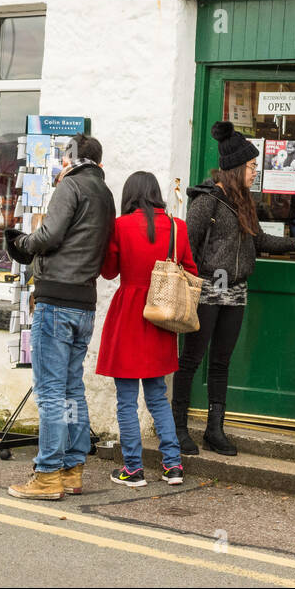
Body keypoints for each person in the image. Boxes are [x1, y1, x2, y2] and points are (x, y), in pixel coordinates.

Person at [173, 122, 295, 455]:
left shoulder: (245, 202)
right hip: (207, 291)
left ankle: (214, 430)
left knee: (221, 362)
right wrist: (200, 278)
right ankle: (177, 428)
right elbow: (186, 245)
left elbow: (259, 240)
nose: (255, 172)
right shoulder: (207, 202)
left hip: (236, 292)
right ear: (235, 168)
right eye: (251, 167)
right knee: (191, 359)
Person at [3, 133, 115, 500]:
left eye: (66, 155)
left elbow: (50, 235)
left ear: (75, 157)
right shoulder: (104, 192)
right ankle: (71, 469)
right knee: (70, 390)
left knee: (51, 392)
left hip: (56, 301)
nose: (63, 161)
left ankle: (48, 475)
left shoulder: (72, 186)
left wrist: (21, 245)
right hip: (84, 303)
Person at [96, 171, 197, 487]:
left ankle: (134, 469)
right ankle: (172, 466)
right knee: (157, 397)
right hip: (161, 314)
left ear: (130, 195)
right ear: (155, 194)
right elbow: (191, 271)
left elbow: (109, 272)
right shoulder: (177, 227)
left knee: (126, 399)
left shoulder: (120, 226)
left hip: (129, 312)